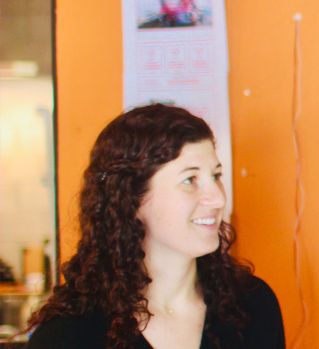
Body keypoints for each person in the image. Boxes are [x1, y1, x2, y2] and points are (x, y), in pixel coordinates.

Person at [25, 104, 285, 348]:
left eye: (215, 176)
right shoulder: (69, 334)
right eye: (190, 180)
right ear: (131, 198)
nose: (217, 198)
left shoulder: (252, 304)